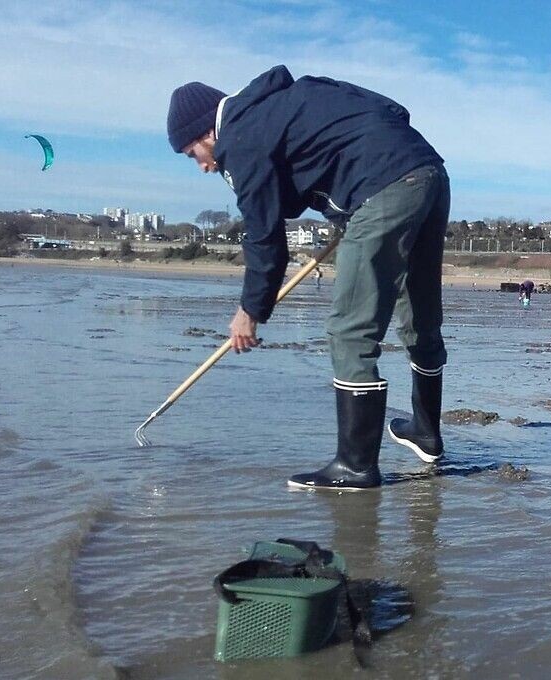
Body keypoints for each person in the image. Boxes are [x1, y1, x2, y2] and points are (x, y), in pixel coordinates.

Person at [167, 65, 450, 491]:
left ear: (207, 133)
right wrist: (348, 200)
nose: (203, 167)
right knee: (421, 316)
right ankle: (426, 433)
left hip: (383, 190)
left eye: (193, 155)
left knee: (349, 330)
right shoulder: (283, 103)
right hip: (429, 172)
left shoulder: (241, 140)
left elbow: (264, 237)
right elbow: (396, 111)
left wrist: (250, 311)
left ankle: (355, 468)